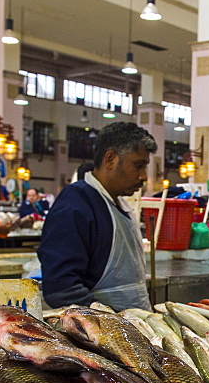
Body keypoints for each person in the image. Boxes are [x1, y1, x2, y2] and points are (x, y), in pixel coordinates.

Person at [39, 122, 156, 311]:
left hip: (134, 325)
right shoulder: (76, 204)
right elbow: (61, 289)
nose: (143, 176)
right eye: (138, 165)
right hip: (103, 335)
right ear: (110, 159)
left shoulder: (118, 204)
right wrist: (108, 324)